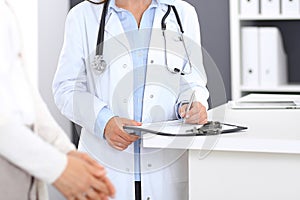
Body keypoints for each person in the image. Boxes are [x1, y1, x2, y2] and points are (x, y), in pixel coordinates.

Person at [53, 0, 209, 199]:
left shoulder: (182, 13)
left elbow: (192, 80)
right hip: (106, 164)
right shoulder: (82, 16)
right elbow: (66, 88)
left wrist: (191, 103)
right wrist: (104, 121)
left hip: (165, 168)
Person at [0, 1, 115, 199]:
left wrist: (65, 151)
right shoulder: (80, 16)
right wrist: (59, 168)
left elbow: (25, 95)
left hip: (22, 162)